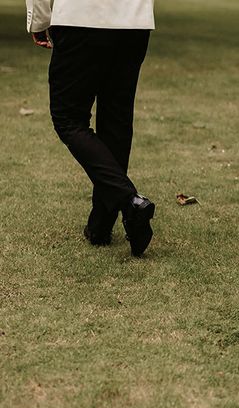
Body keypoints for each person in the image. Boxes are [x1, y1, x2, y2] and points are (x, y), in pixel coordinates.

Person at [26, 0, 156, 256]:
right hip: (134, 22)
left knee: (67, 118)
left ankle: (130, 200)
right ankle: (100, 226)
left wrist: (39, 20)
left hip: (80, 17)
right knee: (116, 122)